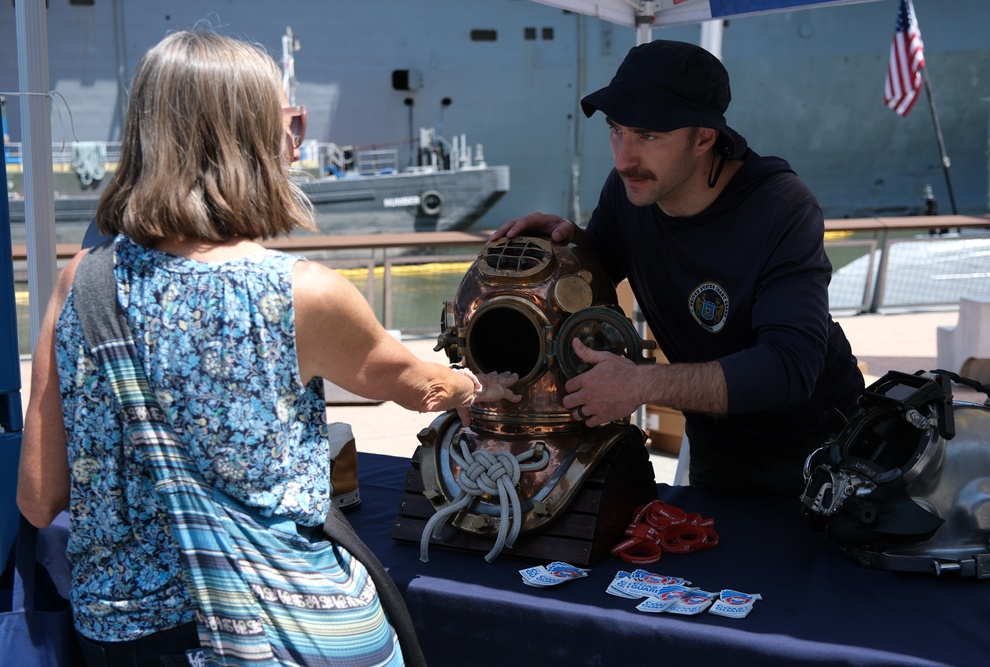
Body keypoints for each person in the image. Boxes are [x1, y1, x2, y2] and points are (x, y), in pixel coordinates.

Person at [16, 30, 518, 666]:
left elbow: (38, 498)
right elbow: (419, 386)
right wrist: (477, 387)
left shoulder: (77, 283)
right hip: (280, 624)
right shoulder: (299, 293)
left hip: (124, 636)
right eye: (290, 123)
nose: (296, 140)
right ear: (250, 139)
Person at [491, 40, 863, 498]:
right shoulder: (631, 191)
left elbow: (789, 366)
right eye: (616, 130)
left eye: (648, 136)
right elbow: (594, 282)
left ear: (704, 137)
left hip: (820, 446)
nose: (624, 158)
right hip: (718, 445)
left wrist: (639, 384)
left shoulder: (780, 207)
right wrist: (566, 249)